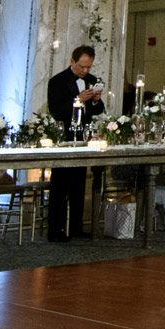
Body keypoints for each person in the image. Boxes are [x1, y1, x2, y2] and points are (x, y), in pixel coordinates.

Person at [45, 45, 105, 242]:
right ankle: (56, 230)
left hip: (83, 138)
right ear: (72, 61)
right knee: (60, 185)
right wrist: (77, 100)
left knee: (79, 183)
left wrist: (95, 101)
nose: (85, 71)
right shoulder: (57, 81)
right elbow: (55, 110)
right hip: (64, 137)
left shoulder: (92, 80)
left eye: (88, 67)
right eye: (81, 67)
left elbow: (97, 110)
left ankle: (76, 227)